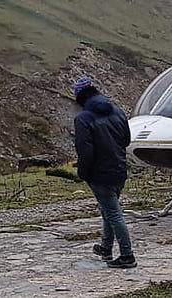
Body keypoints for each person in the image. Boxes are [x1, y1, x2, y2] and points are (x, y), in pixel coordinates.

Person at [73, 76, 137, 269]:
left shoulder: (83, 119)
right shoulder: (117, 112)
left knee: (114, 214)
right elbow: (126, 140)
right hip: (119, 170)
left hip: (100, 174)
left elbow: (85, 151)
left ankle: (127, 256)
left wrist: (83, 174)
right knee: (108, 211)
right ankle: (106, 247)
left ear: (80, 98)